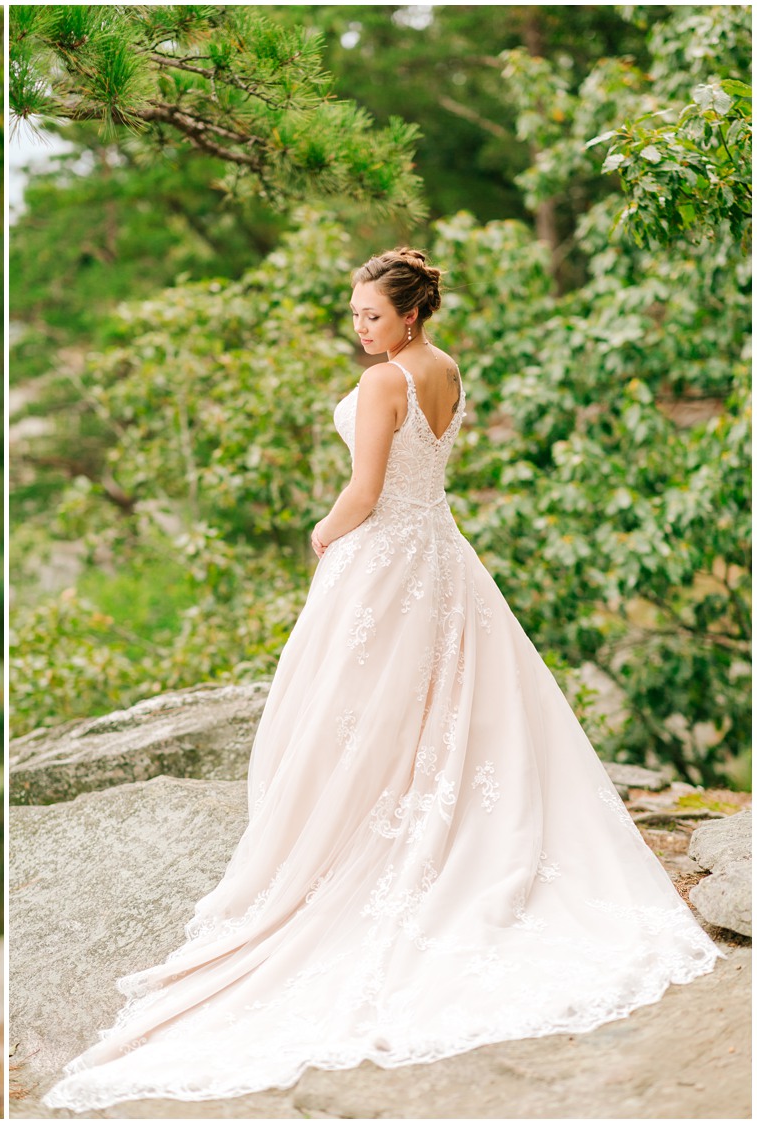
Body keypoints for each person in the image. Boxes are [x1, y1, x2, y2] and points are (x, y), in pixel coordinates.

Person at [41, 247, 721, 1111]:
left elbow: (364, 490)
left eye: (370, 314)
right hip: (441, 555)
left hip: (386, 560)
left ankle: (363, 837)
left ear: (407, 315)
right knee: (438, 701)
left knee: (354, 711)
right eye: (354, 313)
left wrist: (323, 535)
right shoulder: (446, 369)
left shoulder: (384, 383)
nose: (358, 326)